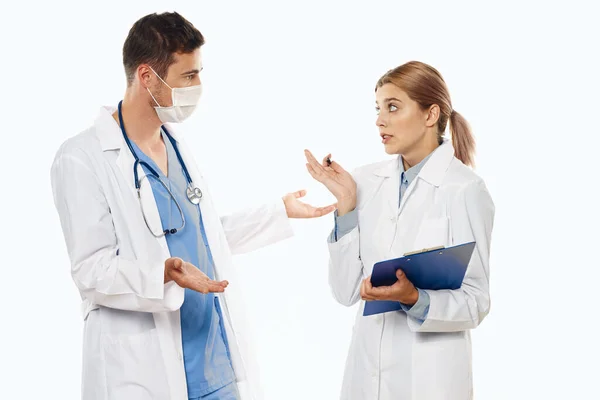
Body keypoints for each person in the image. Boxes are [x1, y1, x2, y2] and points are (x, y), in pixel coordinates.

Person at [50, 12, 335, 400]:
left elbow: (200, 235)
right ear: (147, 77)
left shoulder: (176, 146)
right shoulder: (82, 158)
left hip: (211, 358)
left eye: (199, 73)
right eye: (188, 76)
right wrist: (162, 273)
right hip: (144, 369)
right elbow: (90, 269)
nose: (198, 86)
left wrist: (276, 212)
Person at [305, 61, 495, 400]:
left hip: (430, 380)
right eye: (378, 109)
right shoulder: (363, 182)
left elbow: (476, 301)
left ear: (430, 114)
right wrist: (346, 204)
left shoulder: (464, 189)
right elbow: (345, 291)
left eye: (393, 107)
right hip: (367, 375)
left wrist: (415, 298)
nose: (380, 120)